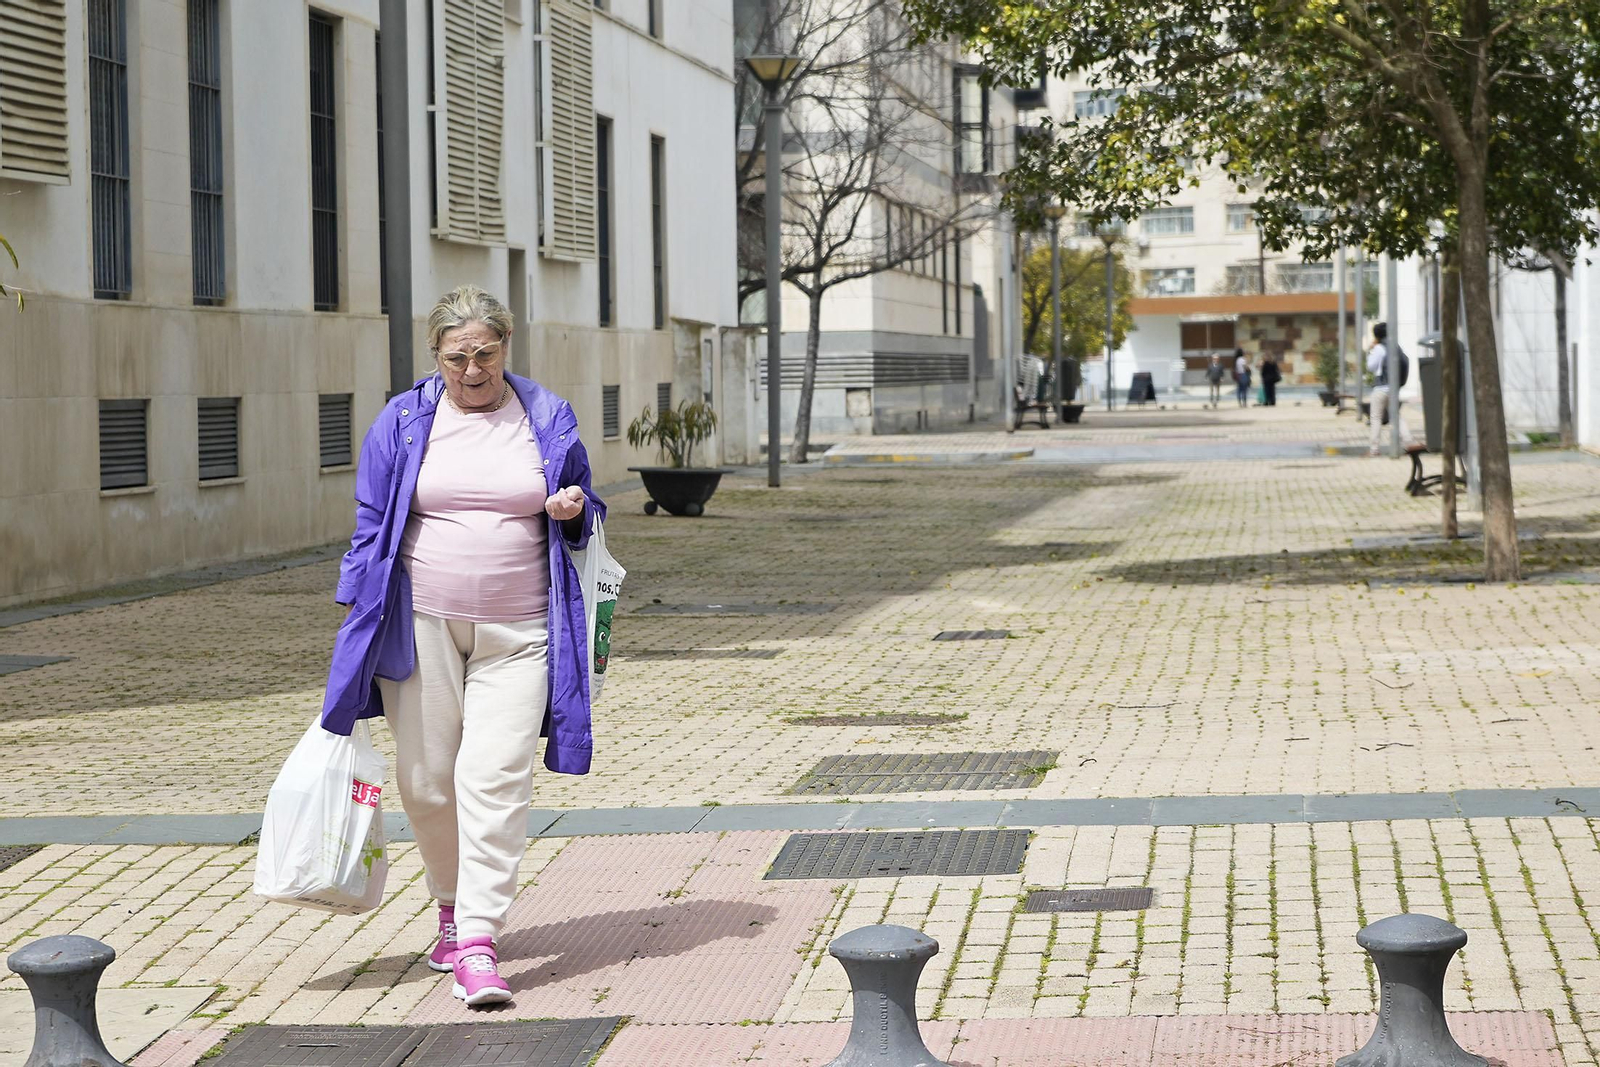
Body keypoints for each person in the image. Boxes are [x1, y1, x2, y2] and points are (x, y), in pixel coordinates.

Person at [319, 285, 605, 1007]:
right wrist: (356, 611)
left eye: (485, 353)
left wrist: (571, 511)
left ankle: (477, 938)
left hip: (522, 629)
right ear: (436, 355)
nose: (472, 370)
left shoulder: (545, 415)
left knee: (494, 776)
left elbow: (582, 508)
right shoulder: (406, 419)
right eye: (457, 358)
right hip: (421, 627)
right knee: (424, 782)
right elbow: (370, 516)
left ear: (506, 345)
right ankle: (448, 902)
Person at [1365, 321, 1416, 456]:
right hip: (1394, 388)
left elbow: (1370, 366)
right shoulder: (1396, 347)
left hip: (1381, 387)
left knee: (1376, 417)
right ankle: (1409, 442)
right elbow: (1405, 361)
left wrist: (1371, 350)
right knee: (1395, 416)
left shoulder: (1379, 348)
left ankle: (1374, 449)